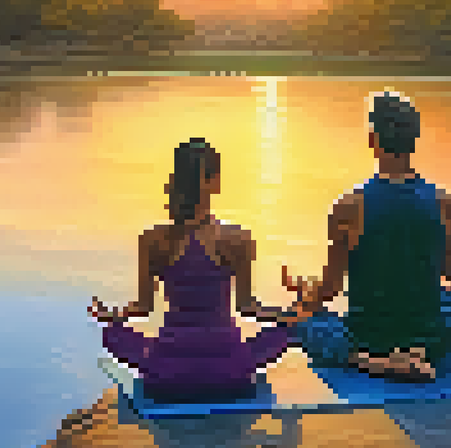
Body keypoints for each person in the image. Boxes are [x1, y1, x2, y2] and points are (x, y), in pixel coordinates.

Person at [282, 91, 451, 383]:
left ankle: (370, 361)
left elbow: (329, 290)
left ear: (373, 140)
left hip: (367, 339)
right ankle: (415, 352)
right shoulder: (444, 203)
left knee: (301, 319)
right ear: (414, 141)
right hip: (431, 337)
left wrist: (304, 294)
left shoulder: (350, 207)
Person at [89, 138, 304, 403]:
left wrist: (113, 315)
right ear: (214, 182)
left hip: (167, 372)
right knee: (287, 332)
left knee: (113, 333)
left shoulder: (152, 239)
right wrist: (290, 314)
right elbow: (249, 308)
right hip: (229, 372)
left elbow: (144, 307)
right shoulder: (238, 239)